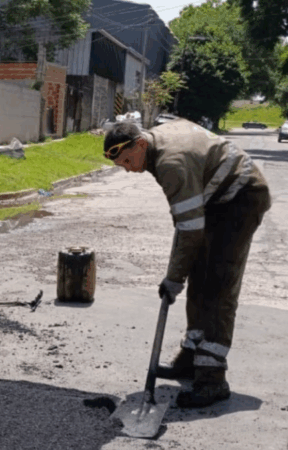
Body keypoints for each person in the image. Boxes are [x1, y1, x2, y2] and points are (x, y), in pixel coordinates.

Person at [104, 119, 271, 408]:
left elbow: (190, 229)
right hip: (215, 199)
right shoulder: (154, 147)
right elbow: (185, 220)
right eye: (122, 165)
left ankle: (212, 379)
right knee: (198, 274)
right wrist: (180, 272)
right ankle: (191, 358)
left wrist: (173, 279)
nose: (129, 169)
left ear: (140, 143)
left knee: (218, 283)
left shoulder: (171, 163)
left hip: (242, 197)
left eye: (128, 161)